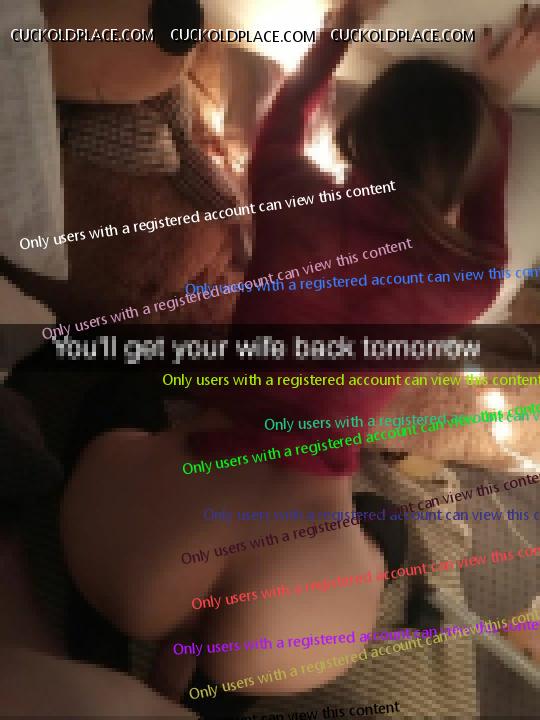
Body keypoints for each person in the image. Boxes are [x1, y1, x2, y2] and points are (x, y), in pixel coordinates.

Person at [60, 0, 540, 712]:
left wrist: (343, 26)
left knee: (113, 397)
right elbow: (488, 220)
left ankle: (138, 646)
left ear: (356, 134)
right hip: (292, 623)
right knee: (385, 526)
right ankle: (202, 682)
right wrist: (495, 95)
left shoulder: (289, 192)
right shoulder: (469, 280)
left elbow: (283, 115)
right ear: (459, 180)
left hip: (143, 543)